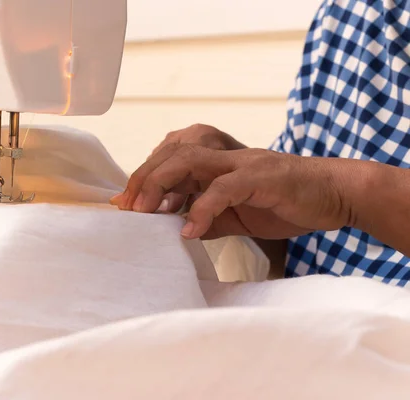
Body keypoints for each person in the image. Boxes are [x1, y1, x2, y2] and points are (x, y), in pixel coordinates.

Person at [111, 0, 410, 287]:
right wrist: (242, 184)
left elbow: (338, 196)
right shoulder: (344, 12)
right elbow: (312, 246)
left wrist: (347, 192)